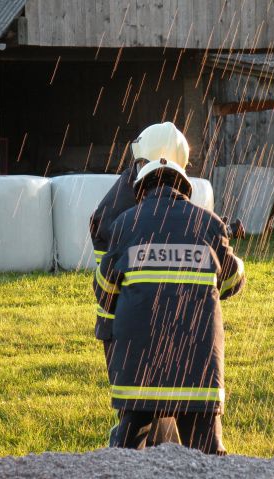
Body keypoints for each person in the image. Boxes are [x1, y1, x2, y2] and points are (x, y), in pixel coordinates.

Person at [93, 156, 245, 454]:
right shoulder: (209, 223)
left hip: (139, 375)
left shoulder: (125, 223)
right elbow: (231, 283)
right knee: (208, 458)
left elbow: (104, 289)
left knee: (125, 455)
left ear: (141, 191)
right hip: (197, 373)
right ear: (185, 189)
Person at [90, 122, 191, 445]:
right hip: (130, 317)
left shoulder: (131, 187)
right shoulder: (130, 204)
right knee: (142, 407)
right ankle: (131, 454)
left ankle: (155, 454)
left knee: (153, 403)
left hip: (128, 313)